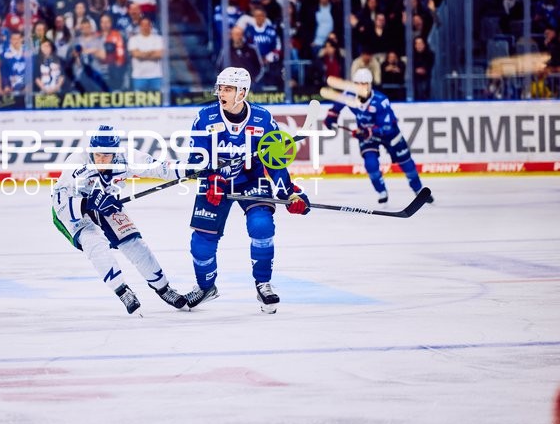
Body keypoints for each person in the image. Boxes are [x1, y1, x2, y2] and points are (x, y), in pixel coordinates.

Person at [184, 67, 311, 314]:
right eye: (220, 87)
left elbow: (274, 161)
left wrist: (290, 193)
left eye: (228, 88)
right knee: (201, 243)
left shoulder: (263, 118)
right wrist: (212, 179)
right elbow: (196, 159)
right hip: (215, 186)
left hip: (251, 180)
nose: (221, 92)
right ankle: (205, 286)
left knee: (262, 226)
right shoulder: (205, 117)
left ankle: (263, 283)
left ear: (242, 92)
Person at [51, 125, 190, 315]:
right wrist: (87, 203)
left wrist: (190, 168)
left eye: (106, 156)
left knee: (134, 243)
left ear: (115, 153)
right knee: (95, 243)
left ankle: (164, 288)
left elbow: (159, 168)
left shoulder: (127, 157)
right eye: (97, 155)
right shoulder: (76, 164)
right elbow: (59, 201)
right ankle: (122, 290)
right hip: (73, 210)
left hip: (106, 203)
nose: (101, 160)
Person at [324, 68, 434, 205]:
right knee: (371, 164)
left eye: (365, 84)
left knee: (407, 165)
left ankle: (418, 190)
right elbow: (336, 107)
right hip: (367, 135)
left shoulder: (380, 101)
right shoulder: (349, 95)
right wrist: (331, 117)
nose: (362, 87)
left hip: (390, 135)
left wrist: (369, 131)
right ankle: (382, 192)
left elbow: (387, 127)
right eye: (358, 84)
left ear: (370, 85)